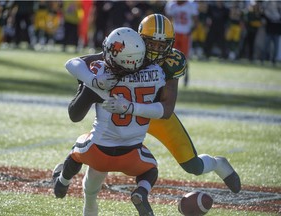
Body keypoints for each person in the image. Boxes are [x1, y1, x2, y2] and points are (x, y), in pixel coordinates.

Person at [63, 13, 241, 215]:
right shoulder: (128, 49)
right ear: (139, 39)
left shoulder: (171, 61)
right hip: (119, 115)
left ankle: (219, 163)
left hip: (153, 114)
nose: (156, 50)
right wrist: (93, 81)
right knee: (102, 153)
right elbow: (77, 62)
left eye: (162, 45)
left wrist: (131, 107)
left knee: (193, 165)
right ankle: (83, 192)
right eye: (152, 44)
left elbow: (166, 109)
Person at [53, 27, 166, 216]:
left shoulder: (102, 73)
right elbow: (162, 110)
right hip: (133, 155)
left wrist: (91, 82)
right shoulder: (156, 73)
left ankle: (61, 182)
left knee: (76, 151)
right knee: (151, 170)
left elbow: (75, 115)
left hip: (97, 151)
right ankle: (141, 191)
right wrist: (132, 107)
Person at [164, 0, 199, 85]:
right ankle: (168, 75)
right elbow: (167, 20)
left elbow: (196, 22)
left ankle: (186, 74)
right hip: (175, 34)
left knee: (185, 57)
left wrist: (190, 32)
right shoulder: (171, 4)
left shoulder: (191, 5)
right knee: (170, 55)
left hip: (185, 34)